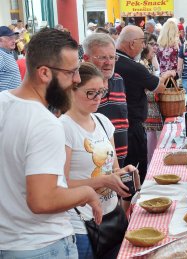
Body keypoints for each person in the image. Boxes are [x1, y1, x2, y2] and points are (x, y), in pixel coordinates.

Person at [0, 27, 101, 257]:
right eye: (71, 72)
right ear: (44, 73)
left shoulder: (3, 102)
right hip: (42, 246)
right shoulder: (45, 123)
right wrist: (87, 193)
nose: (76, 80)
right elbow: (43, 200)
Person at [60, 62, 139, 258]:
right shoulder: (63, 127)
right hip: (82, 223)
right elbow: (61, 186)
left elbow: (113, 170)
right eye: (91, 93)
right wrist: (103, 181)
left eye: (101, 92)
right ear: (72, 89)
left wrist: (124, 174)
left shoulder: (103, 121)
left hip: (112, 215)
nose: (98, 98)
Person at [115, 25, 175, 184]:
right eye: (143, 42)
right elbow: (159, 87)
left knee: (120, 169)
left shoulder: (116, 62)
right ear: (132, 43)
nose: (144, 46)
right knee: (134, 170)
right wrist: (167, 74)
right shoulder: (134, 67)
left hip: (114, 125)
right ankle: (132, 202)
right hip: (132, 126)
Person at [83, 33, 129, 170]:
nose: (109, 62)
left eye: (112, 57)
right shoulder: (79, 86)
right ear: (86, 58)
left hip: (118, 162)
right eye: (102, 57)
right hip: (95, 163)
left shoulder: (118, 79)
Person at [140, 38, 163, 165]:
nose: (155, 47)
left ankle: (151, 161)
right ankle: (150, 162)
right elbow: (150, 85)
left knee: (151, 132)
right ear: (144, 46)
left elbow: (156, 73)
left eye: (156, 44)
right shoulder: (141, 63)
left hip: (150, 102)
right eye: (152, 44)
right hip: (147, 103)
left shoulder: (148, 62)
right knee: (150, 132)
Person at [0, 26, 21, 91]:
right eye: (10, 38)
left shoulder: (8, 52)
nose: (14, 41)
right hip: (6, 99)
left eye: (14, 38)